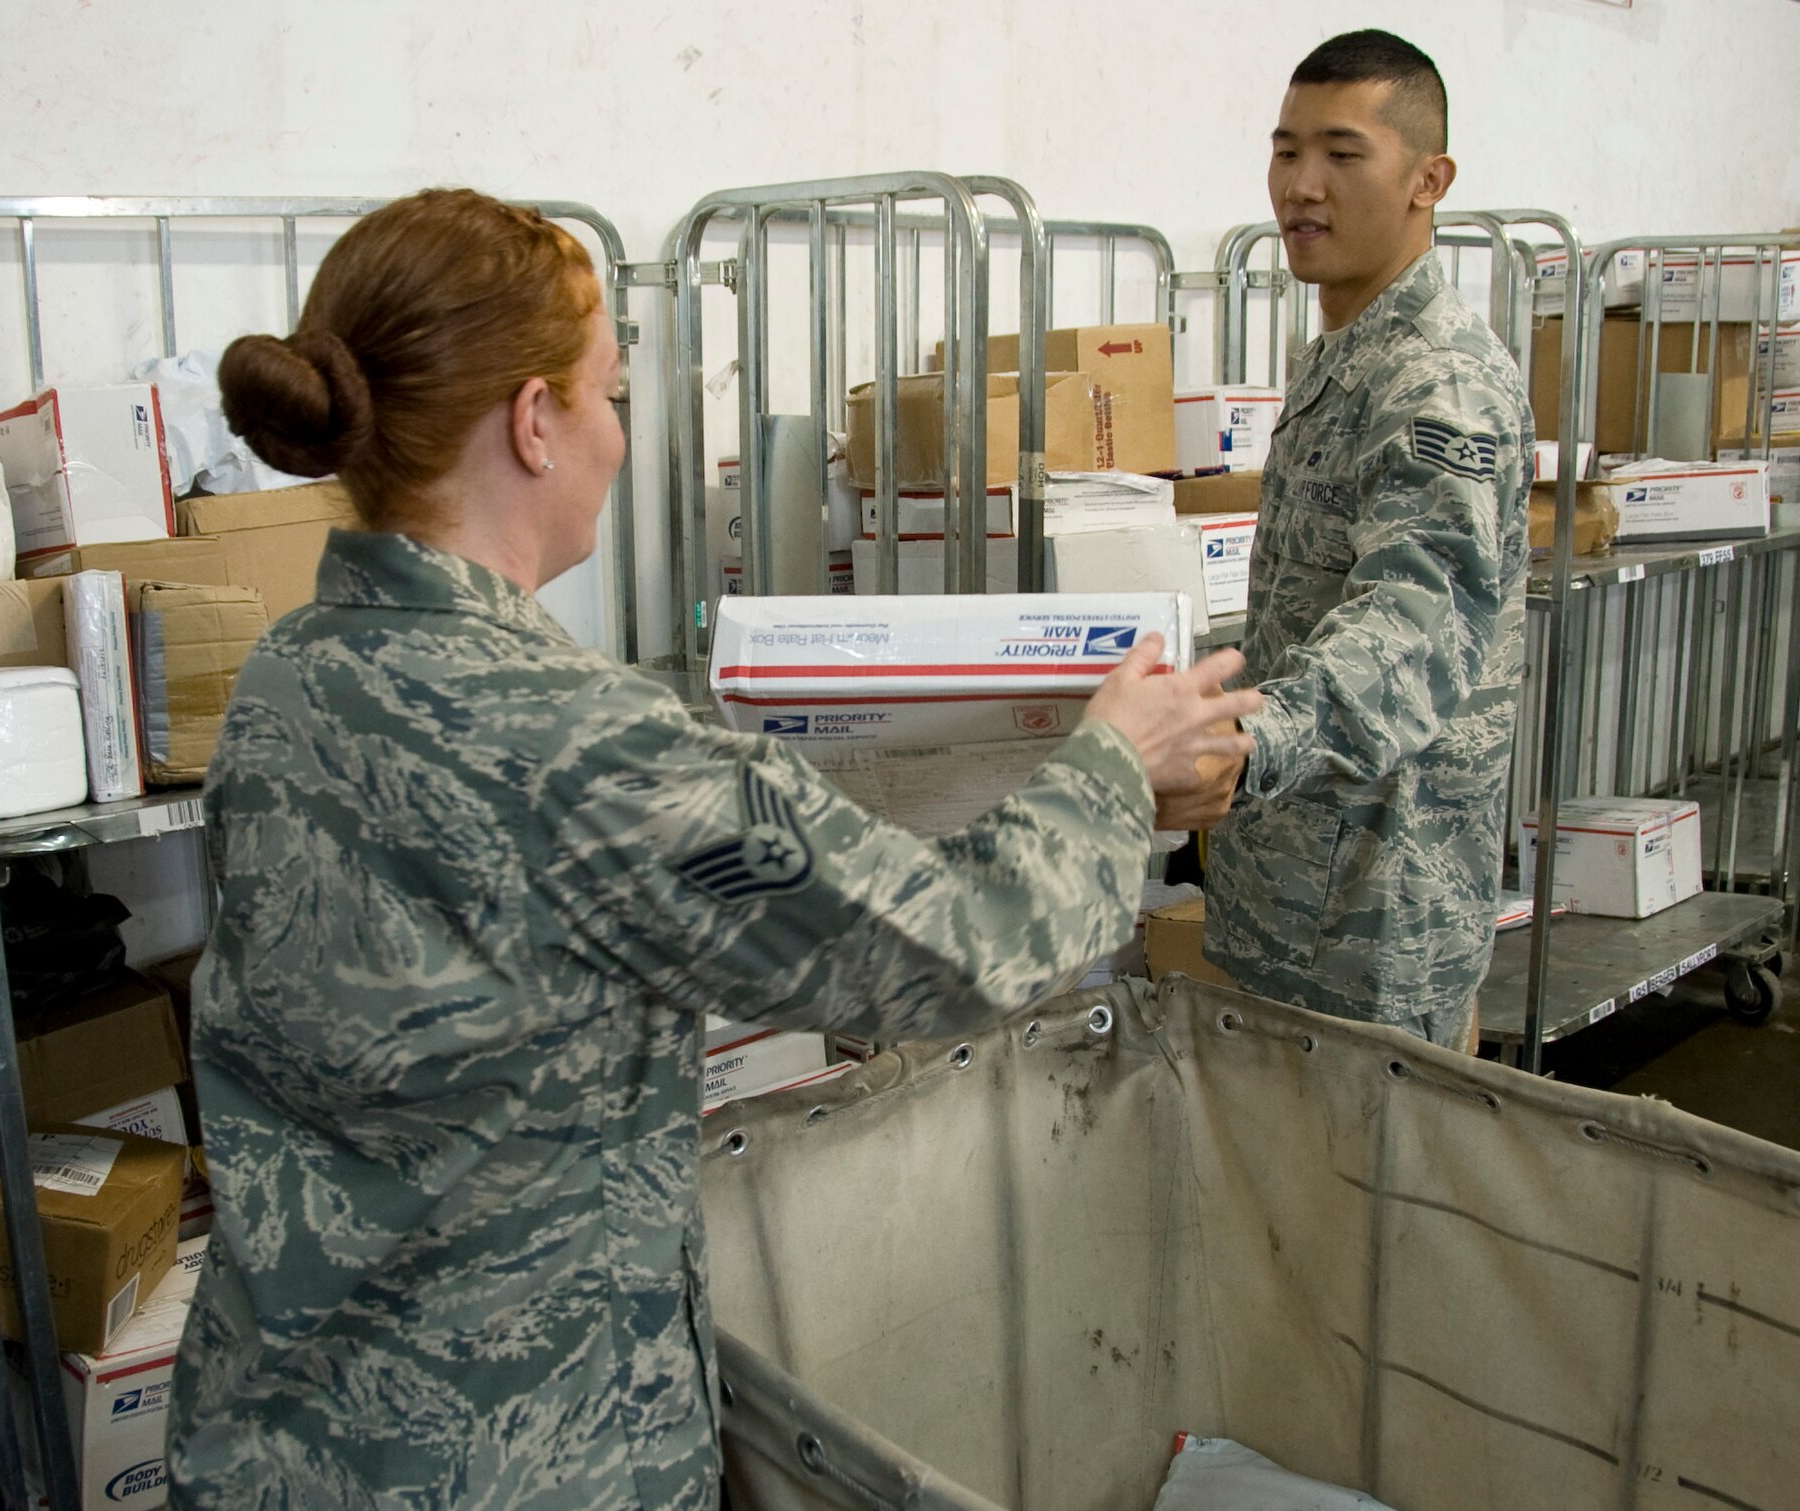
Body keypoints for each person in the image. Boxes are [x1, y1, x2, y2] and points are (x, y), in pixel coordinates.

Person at [164, 188, 1262, 1509]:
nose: (619, 438)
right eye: (608, 394)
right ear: (533, 419)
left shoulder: (294, 674)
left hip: (276, 1434)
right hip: (516, 1459)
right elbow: (963, 949)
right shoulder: (579, 743)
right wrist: (1113, 769)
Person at [1186, 30, 1533, 1053]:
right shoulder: (1344, 346)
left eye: (1341, 155)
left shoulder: (1436, 378)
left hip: (1377, 909)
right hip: (1293, 883)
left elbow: (1413, 623)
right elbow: (1310, 601)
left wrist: (1248, 744)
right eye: (1285, 150)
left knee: (1373, 1203)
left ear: (1429, 179)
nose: (1300, 186)